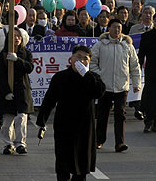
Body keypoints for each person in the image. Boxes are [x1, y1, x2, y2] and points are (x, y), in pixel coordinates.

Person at [36, 45, 105, 181]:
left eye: (85, 58)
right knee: (63, 161)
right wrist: (41, 121)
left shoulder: (93, 77)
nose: (81, 60)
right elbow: (49, 100)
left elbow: (99, 92)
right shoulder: (60, 77)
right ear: (71, 58)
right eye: (78, 57)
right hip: (64, 125)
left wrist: (86, 74)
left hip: (85, 126)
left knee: (82, 164)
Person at [90, 19, 141, 152]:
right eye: (114, 27)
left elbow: (135, 66)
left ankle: (120, 143)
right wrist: (100, 74)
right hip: (104, 86)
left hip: (121, 86)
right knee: (103, 115)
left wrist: (136, 84)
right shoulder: (100, 45)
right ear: (109, 28)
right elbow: (92, 62)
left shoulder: (127, 46)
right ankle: (99, 140)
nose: (117, 30)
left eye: (119, 28)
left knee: (120, 114)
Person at [0, 27, 34, 155]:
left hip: (22, 90)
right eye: (14, 36)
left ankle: (20, 143)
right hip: (9, 91)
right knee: (7, 121)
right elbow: (0, 76)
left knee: (21, 119)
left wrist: (17, 60)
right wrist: (6, 92)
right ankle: (8, 144)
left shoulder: (26, 53)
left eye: (19, 36)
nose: (16, 38)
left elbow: (29, 67)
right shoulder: (2, 55)